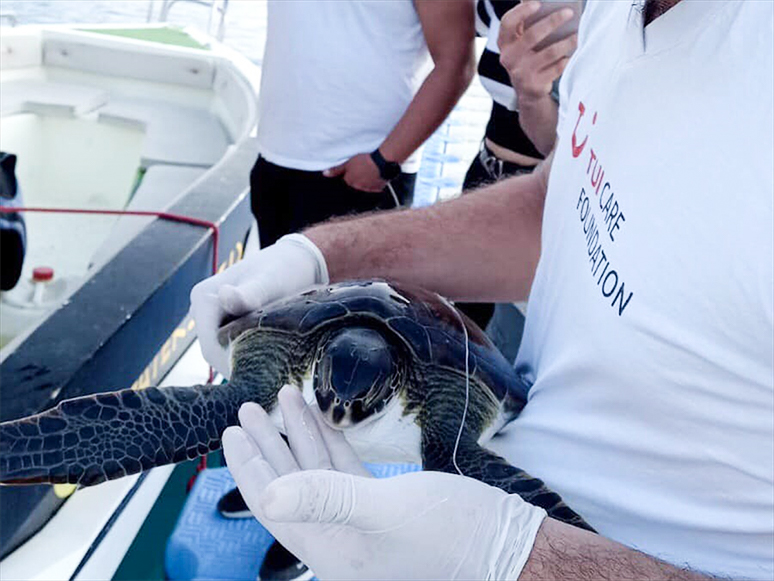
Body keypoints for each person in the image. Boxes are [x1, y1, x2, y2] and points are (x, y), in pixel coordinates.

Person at [191, 0, 774, 578]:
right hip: (512, 460)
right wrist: (322, 258)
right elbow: (561, 201)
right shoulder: (613, 11)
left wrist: (512, 556)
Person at [250, 0, 475, 251]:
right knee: (276, 287)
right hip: (275, 162)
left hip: (363, 176)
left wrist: (384, 161)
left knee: (354, 291)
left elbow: (456, 64)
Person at [456, 0, 577, 335]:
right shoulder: (496, 5)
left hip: (537, 194)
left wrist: (533, 95)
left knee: (503, 343)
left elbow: (570, 139)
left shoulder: (597, 15)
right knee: (458, 329)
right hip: (483, 172)